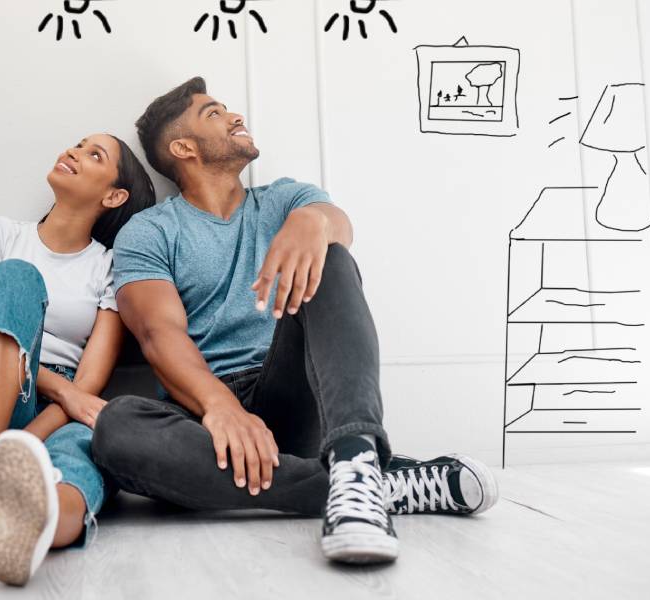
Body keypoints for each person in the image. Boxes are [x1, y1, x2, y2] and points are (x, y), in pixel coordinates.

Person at [90, 77, 499, 565]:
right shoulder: (150, 230)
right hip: (204, 415)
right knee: (115, 427)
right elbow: (159, 333)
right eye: (214, 114)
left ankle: (353, 454)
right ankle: (364, 484)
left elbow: (336, 225)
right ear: (183, 147)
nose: (236, 116)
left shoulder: (285, 199)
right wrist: (222, 406)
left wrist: (315, 222)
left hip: (292, 397)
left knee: (332, 258)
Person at [0, 133, 155, 585]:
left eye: (95, 154)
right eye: (77, 144)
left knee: (85, 452)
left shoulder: (110, 266)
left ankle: (42, 522)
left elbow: (90, 381)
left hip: (60, 415)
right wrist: (61, 393)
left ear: (113, 196)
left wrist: (31, 440)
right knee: (16, 277)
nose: (73, 152)